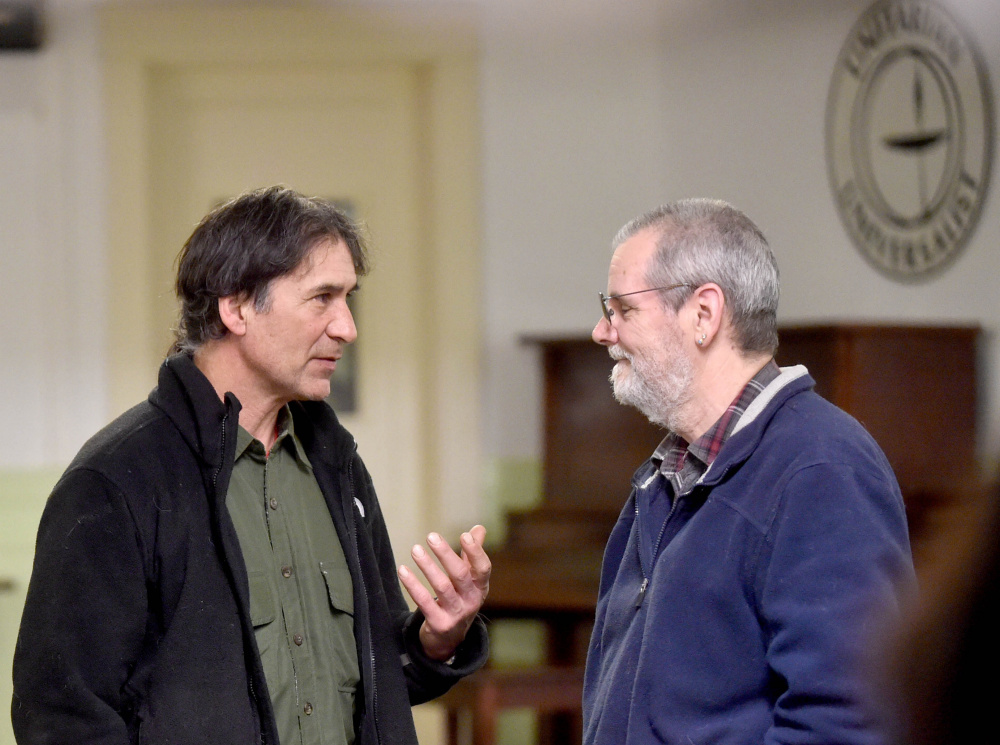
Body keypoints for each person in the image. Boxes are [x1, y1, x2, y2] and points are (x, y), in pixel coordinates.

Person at [11, 186, 491, 745]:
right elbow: (63, 718)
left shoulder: (337, 466)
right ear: (236, 306)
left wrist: (438, 639)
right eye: (322, 298)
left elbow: (375, 682)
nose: (347, 327)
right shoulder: (114, 483)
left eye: (348, 298)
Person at [584, 199, 914, 745]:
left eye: (621, 309)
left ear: (704, 314)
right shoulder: (664, 476)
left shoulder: (821, 470)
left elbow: (848, 724)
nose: (602, 331)